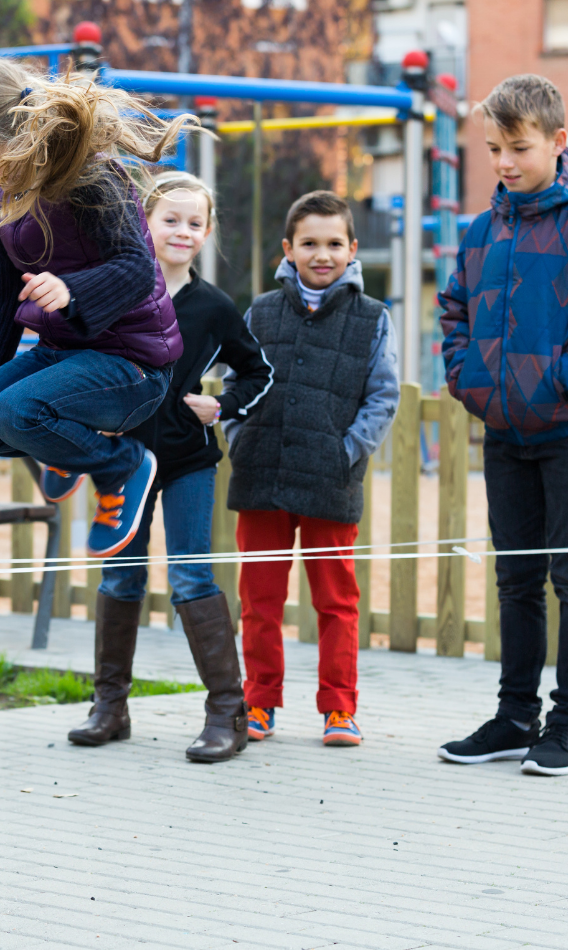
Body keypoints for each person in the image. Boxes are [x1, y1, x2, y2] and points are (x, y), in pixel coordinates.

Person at [436, 75, 568, 777]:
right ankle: (513, 717)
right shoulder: (482, 229)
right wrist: (469, 377)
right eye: (494, 147)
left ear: (558, 143)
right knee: (516, 580)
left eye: (518, 147)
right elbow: (455, 312)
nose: (504, 162)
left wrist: (567, 379)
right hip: (505, 433)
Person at [0, 58, 191, 559]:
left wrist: (73, 291)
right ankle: (61, 445)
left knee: (16, 411)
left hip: (132, 365)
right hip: (64, 355)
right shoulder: (8, 199)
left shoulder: (95, 179)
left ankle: (122, 465)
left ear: (24, 135)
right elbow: (3, 307)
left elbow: (137, 268)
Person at [67, 172, 274, 762]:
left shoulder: (214, 307)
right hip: (121, 464)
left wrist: (223, 405)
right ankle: (110, 707)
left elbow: (258, 371)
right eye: (170, 219)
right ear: (144, 224)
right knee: (120, 579)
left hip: (188, 461)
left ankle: (226, 714)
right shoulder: (114, 294)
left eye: (195, 222)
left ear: (207, 233)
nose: (182, 231)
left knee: (191, 578)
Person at [224, 191, 400, 748]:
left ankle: (339, 709)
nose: (321, 254)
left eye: (333, 244)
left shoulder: (373, 319)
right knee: (259, 601)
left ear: (351, 250)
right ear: (289, 249)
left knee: (335, 600)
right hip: (262, 477)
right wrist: (239, 439)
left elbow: (383, 398)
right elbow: (236, 385)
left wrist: (346, 452)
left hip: (330, 480)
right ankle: (259, 701)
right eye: (309, 243)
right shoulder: (259, 312)